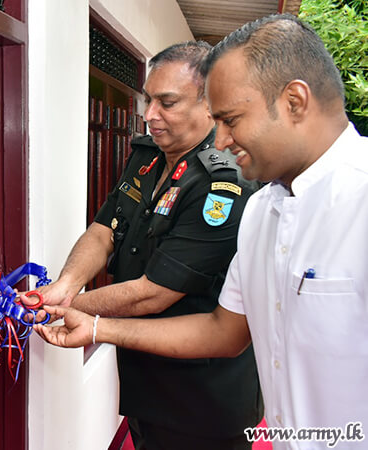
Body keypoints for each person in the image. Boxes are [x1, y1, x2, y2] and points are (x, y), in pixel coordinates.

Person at [36, 14, 368, 450]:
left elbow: (159, 292)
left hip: (204, 405)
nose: (223, 139)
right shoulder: (263, 211)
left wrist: (76, 310)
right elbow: (222, 331)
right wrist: (96, 327)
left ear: (294, 101)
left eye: (230, 119)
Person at [26, 41, 262, 449]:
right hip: (145, 382)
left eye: (166, 103)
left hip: (202, 399)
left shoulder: (222, 185)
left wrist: (64, 307)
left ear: (209, 105)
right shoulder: (148, 155)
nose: (150, 115)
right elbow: (104, 229)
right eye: (148, 99)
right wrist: (65, 286)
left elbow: (153, 293)